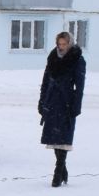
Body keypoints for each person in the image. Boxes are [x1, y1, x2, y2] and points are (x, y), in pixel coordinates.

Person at [39, 29, 85, 187]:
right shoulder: (52, 58)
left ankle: (57, 172)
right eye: (59, 44)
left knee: (63, 137)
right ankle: (62, 169)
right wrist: (42, 101)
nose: (61, 47)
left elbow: (80, 86)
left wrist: (76, 105)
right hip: (52, 102)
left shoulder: (77, 59)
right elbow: (45, 81)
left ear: (70, 43)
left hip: (66, 101)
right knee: (54, 137)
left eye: (64, 44)